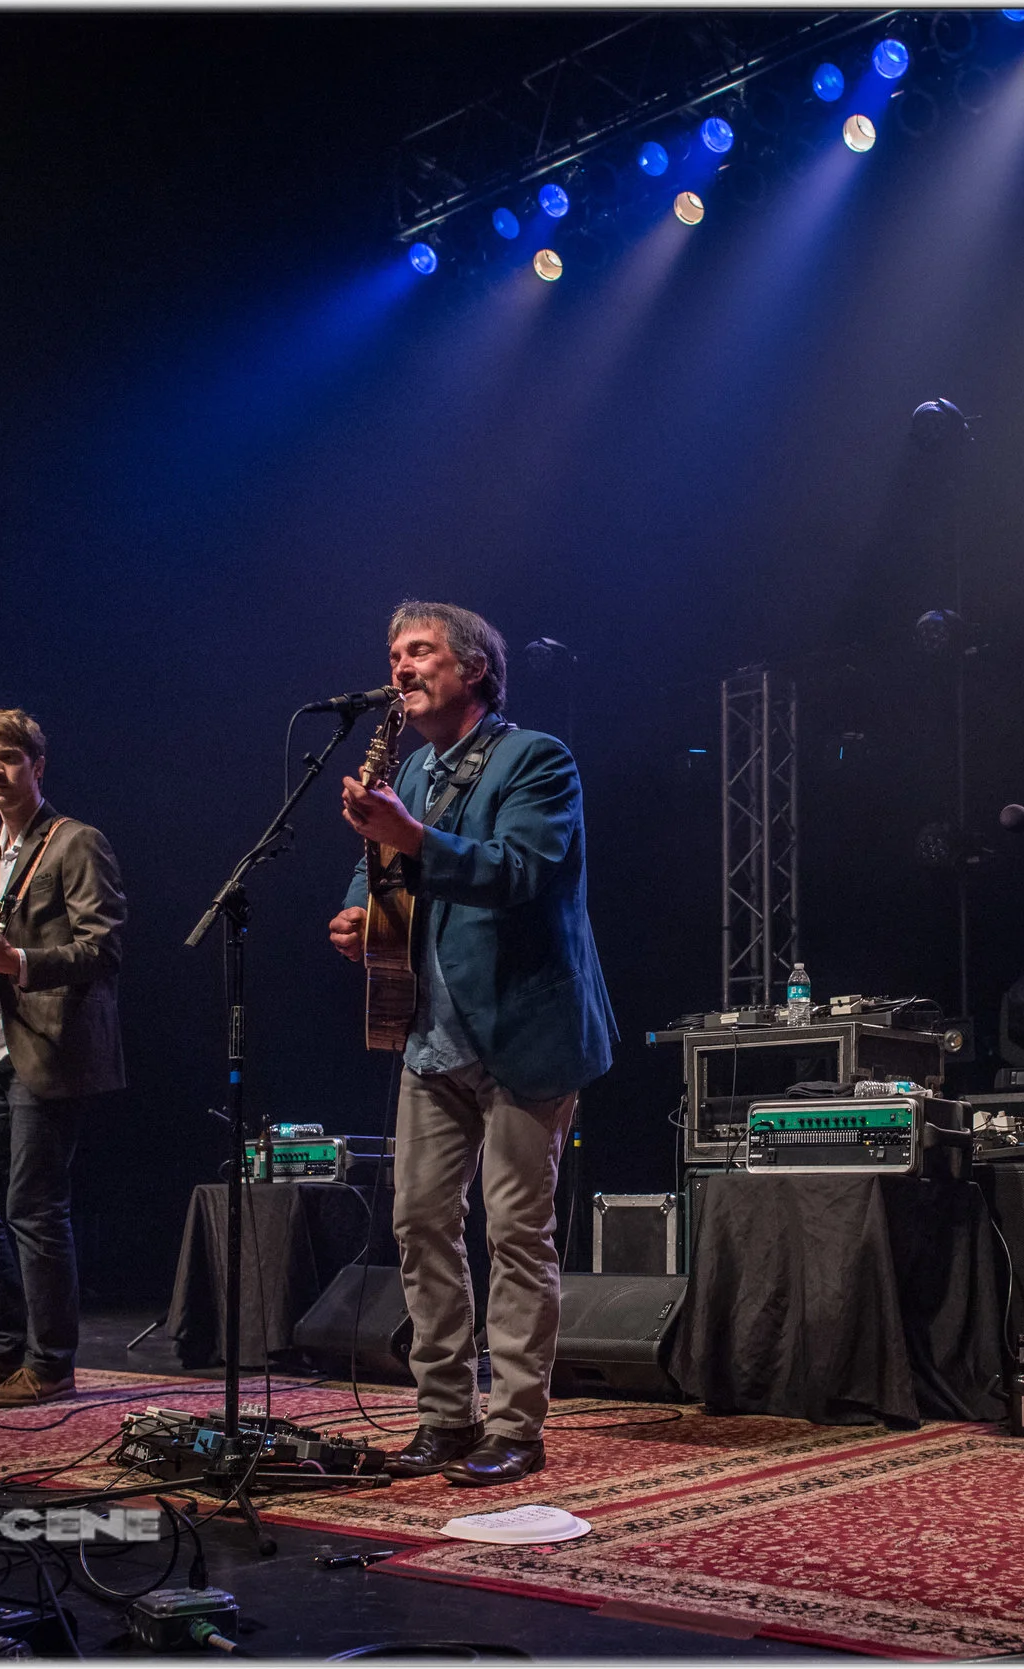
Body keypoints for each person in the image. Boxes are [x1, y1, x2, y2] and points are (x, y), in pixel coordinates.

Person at [327, 602, 618, 1487]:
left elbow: (521, 870)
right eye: (393, 652)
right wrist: (358, 914)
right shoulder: (412, 767)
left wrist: (410, 836)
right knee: (419, 1223)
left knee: (518, 1232)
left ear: (475, 669)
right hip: (431, 1037)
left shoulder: (536, 758)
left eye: (420, 651)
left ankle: (517, 1426)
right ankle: (446, 1415)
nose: (400, 666)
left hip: (525, 1034)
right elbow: (381, 866)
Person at [0, 708, 126, 1409]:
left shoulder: (76, 841)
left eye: (9, 757)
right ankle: (5, 1349)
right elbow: (1, 951)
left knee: (34, 1207)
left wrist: (15, 962)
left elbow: (103, 949)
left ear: (37, 765)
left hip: (50, 1050)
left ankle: (50, 1364)